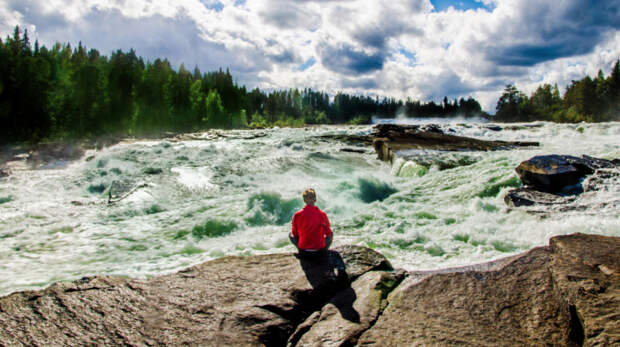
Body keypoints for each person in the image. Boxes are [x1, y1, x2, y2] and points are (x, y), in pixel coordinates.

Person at [290, 188, 332, 254]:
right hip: (319, 249)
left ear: (304, 200)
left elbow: (294, 234)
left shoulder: (297, 215)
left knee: (290, 235)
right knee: (331, 233)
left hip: (303, 249)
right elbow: (328, 233)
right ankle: (325, 251)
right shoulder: (322, 214)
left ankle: (300, 250)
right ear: (315, 200)